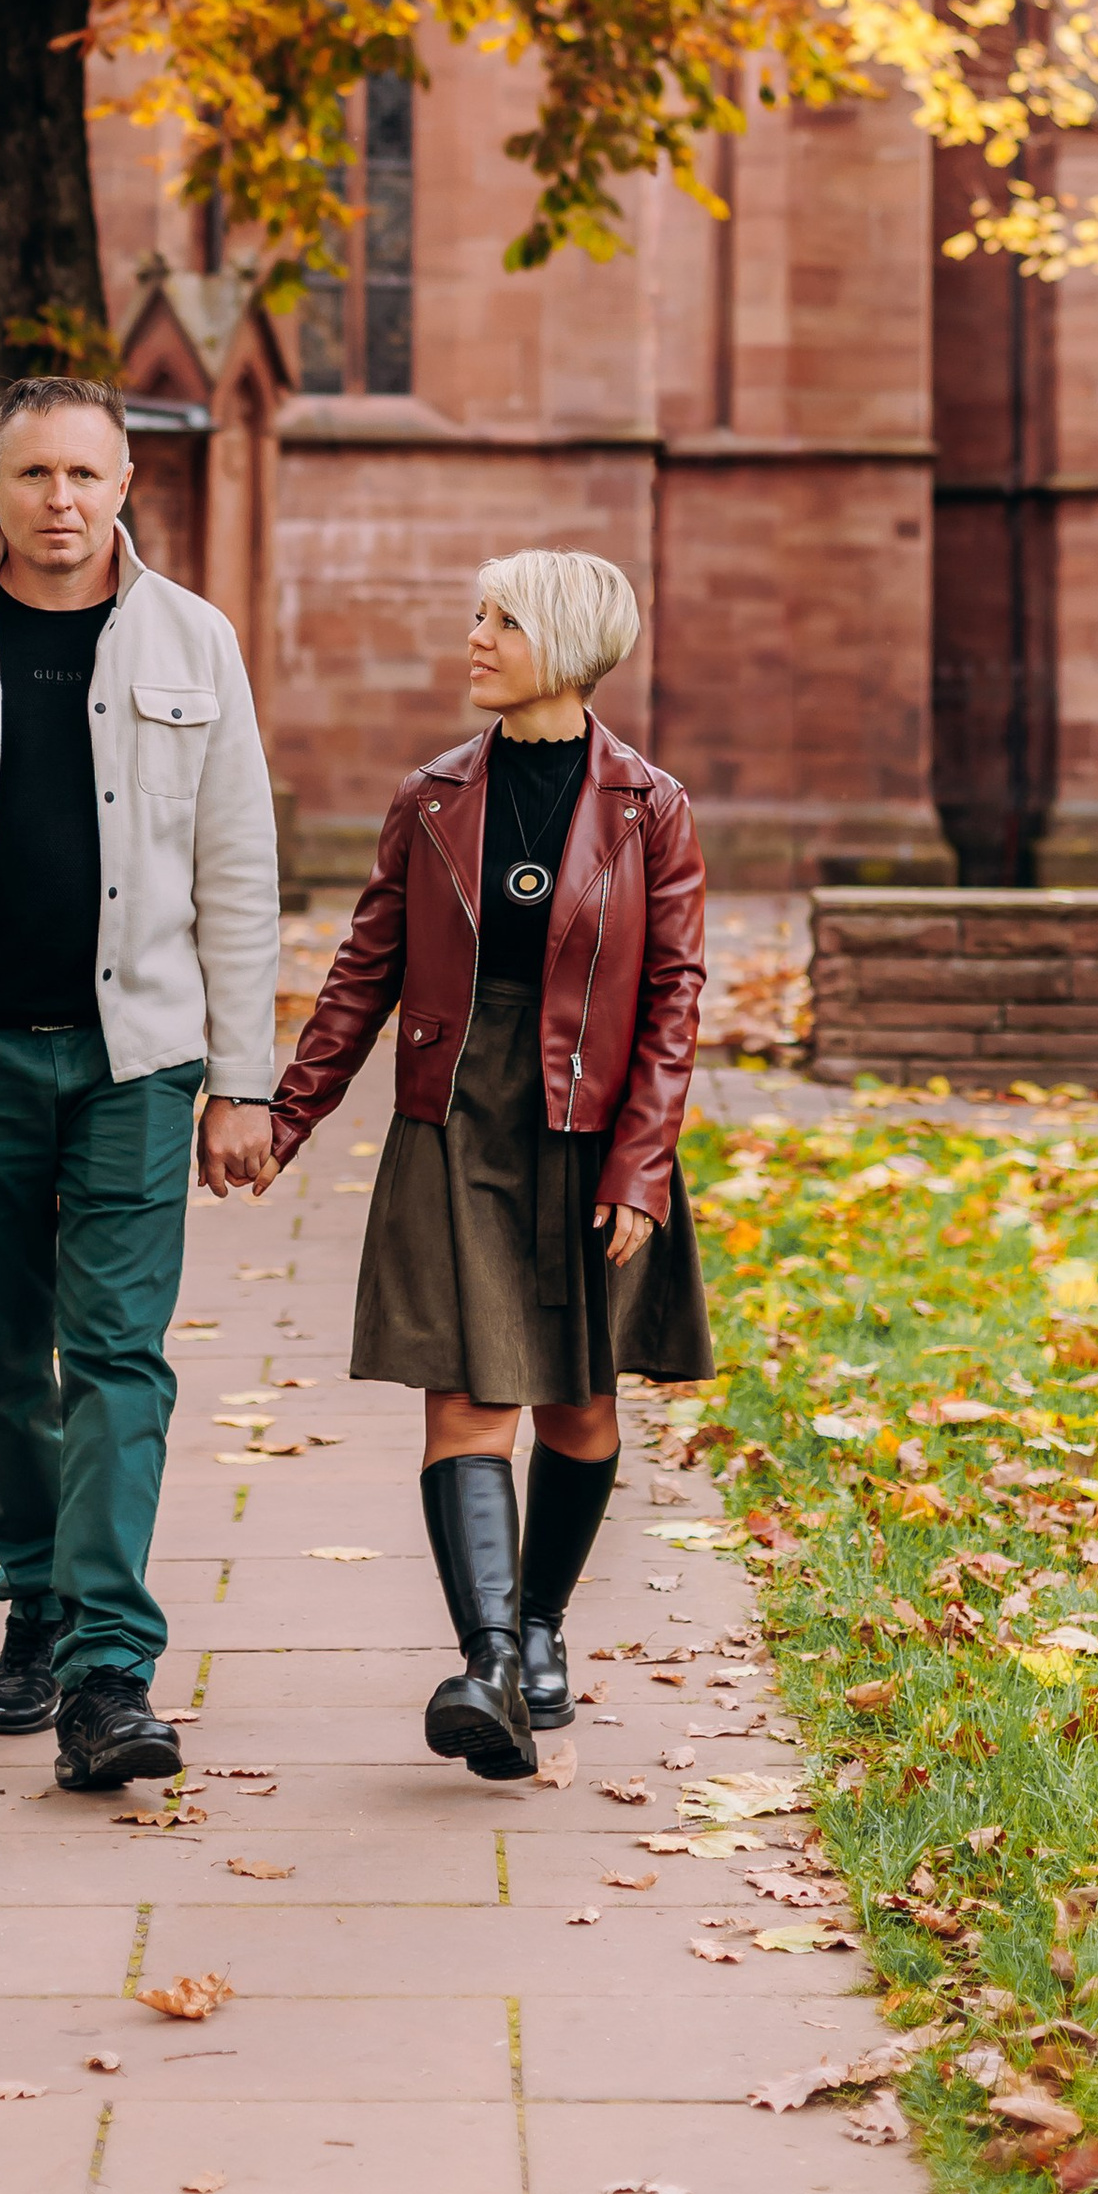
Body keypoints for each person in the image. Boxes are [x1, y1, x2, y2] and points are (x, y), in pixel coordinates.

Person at [0, 375, 282, 1792]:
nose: (61, 502)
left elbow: (238, 871)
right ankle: (32, 1590)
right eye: (34, 476)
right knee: (3, 1363)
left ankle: (104, 1669)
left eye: (86, 475)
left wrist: (244, 1081)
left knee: (122, 1357)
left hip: (138, 1062)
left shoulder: (195, 642)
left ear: (127, 483)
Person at [263, 549, 709, 1778]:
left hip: (591, 1118)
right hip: (456, 1114)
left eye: (498, 620)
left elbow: (672, 997)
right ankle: (492, 1662)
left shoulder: (648, 806)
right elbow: (366, 967)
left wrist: (642, 1169)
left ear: (560, 643)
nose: (473, 638)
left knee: (575, 1407)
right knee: (464, 1401)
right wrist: (288, 1115)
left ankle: (544, 1626)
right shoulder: (431, 796)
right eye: (475, 614)